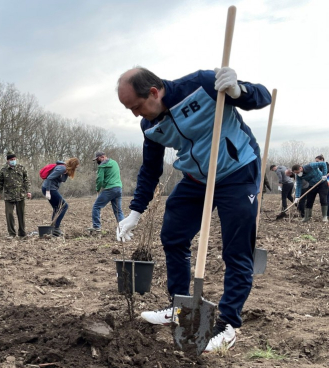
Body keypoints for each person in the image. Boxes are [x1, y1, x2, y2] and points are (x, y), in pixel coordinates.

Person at [116, 66, 271, 352]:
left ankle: (228, 325)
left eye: (136, 107)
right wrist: (136, 212)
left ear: (153, 92)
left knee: (236, 250)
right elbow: (150, 170)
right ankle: (180, 306)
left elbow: (262, 97)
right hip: (196, 178)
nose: (136, 114)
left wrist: (239, 91)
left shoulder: (201, 85)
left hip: (237, 172)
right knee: (173, 236)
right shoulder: (150, 126)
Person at [0, 151, 31, 239]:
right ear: (8, 161)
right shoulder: (3, 170)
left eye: (14, 159)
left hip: (20, 195)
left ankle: (22, 233)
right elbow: (0, 183)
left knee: (21, 214)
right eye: (11, 159)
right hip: (8, 196)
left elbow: (26, 180)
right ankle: (11, 233)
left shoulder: (21, 168)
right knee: (9, 214)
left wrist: (28, 191)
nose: (13, 161)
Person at [41, 158, 80, 237]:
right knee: (64, 206)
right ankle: (56, 228)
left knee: (57, 208)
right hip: (49, 188)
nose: (76, 169)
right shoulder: (62, 168)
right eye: (75, 167)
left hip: (51, 188)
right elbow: (49, 178)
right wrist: (48, 191)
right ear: (73, 165)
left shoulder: (65, 170)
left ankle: (53, 229)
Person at [89, 151, 124, 232]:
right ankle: (123, 228)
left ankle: (96, 226)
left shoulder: (102, 166)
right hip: (118, 188)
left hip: (110, 189)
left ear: (102, 157)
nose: (97, 161)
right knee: (118, 210)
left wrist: (97, 188)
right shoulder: (114, 163)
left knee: (96, 207)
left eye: (97, 159)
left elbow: (100, 179)